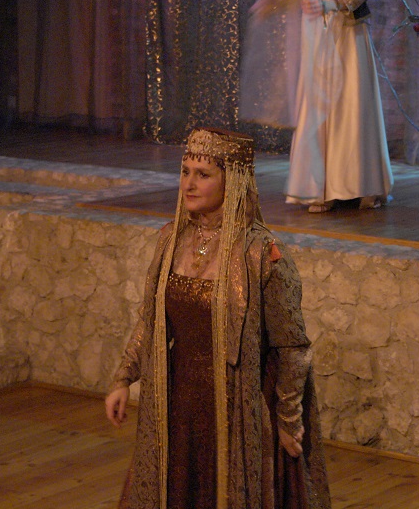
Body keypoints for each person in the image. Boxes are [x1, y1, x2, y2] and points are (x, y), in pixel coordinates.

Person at [104, 127, 329, 509]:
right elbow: (152, 320)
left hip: (237, 407)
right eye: (185, 171)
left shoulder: (261, 253)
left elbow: (292, 347)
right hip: (177, 401)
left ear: (233, 180)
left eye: (203, 174)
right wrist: (124, 378)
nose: (189, 184)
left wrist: (289, 418)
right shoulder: (170, 240)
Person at [240, 0, 392, 213]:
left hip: (344, 36)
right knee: (318, 108)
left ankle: (359, 184)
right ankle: (320, 187)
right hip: (315, 37)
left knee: (348, 106)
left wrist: (330, 4)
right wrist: (273, 1)